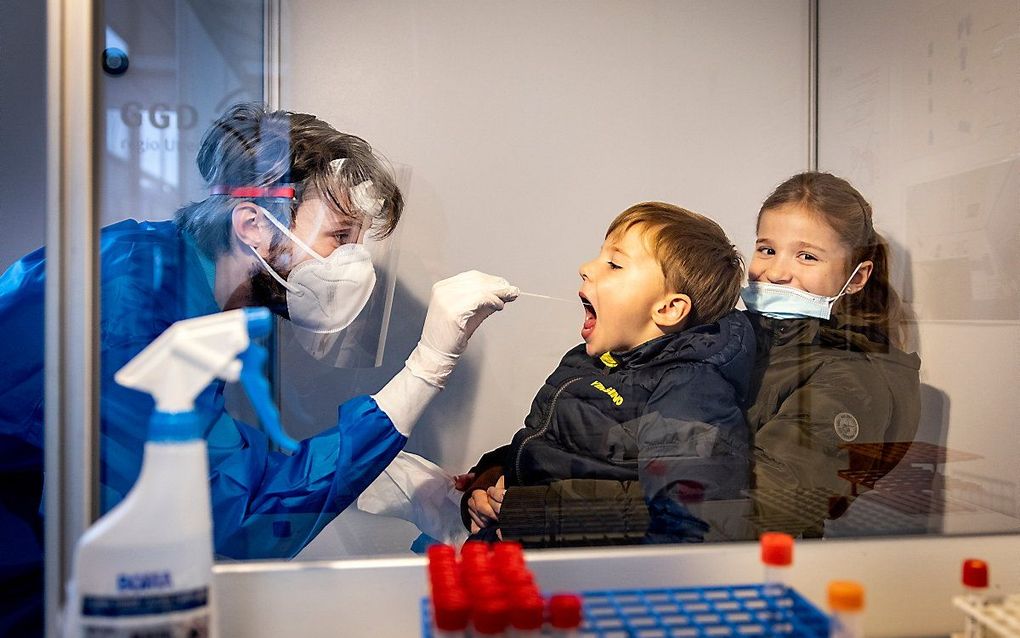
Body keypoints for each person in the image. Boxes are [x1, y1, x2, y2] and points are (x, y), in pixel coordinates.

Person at [0, 103, 518, 634]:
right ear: (252, 224)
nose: (352, 265)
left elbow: (210, 449)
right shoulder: (134, 317)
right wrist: (426, 369)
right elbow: (233, 519)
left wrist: (373, 475)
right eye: (339, 237)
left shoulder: (170, 271)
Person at [460, 202, 755, 546]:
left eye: (614, 264)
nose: (585, 268)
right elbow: (549, 450)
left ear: (669, 308)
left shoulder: (689, 388)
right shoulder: (588, 362)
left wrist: (530, 514)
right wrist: (487, 482)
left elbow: (688, 519)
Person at [740, 171, 921, 537]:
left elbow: (771, 502)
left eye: (806, 256)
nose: (775, 272)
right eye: (767, 249)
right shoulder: (734, 336)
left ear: (856, 277)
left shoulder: (853, 374)